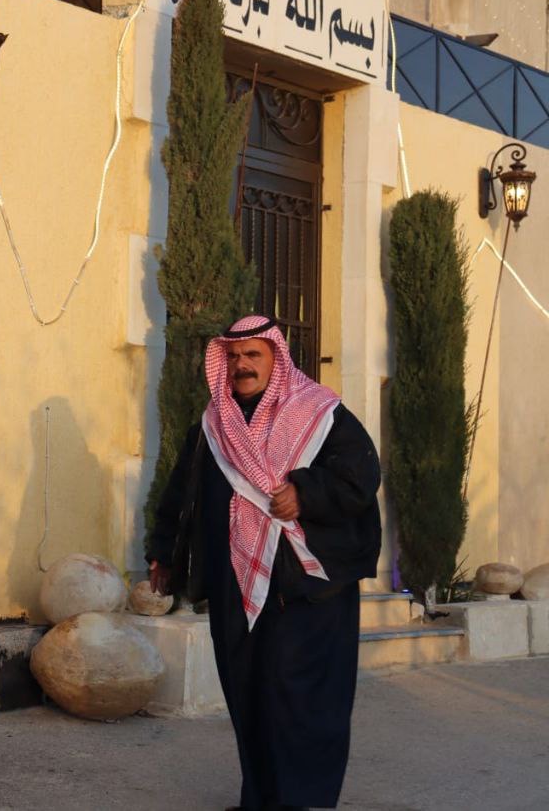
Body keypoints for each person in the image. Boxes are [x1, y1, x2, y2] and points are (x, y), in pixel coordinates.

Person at [148, 314, 381, 811]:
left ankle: (299, 799)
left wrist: (305, 492)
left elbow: (360, 478)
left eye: (253, 355)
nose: (242, 365)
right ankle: (261, 798)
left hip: (306, 588)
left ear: (277, 358)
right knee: (248, 692)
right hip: (235, 582)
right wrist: (163, 552)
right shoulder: (213, 425)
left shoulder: (321, 413)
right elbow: (181, 493)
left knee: (297, 695)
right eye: (233, 356)